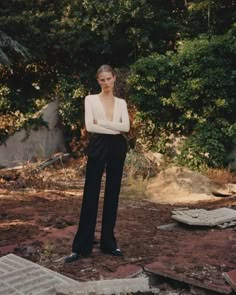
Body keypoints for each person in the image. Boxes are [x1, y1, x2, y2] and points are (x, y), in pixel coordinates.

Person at [65, 65, 130, 263]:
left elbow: (125, 127)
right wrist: (113, 127)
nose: (106, 83)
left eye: (109, 79)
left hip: (117, 147)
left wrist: (104, 124)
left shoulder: (121, 103)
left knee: (112, 193)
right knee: (91, 192)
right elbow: (90, 126)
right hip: (98, 144)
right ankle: (81, 246)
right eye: (102, 79)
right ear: (98, 81)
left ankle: (108, 244)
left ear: (114, 78)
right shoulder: (90, 99)